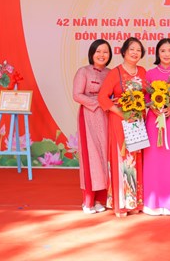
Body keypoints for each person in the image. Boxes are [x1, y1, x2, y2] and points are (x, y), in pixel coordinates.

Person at [98, 37, 147, 218]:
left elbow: (146, 95)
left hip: (137, 121)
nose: (135, 53)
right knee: (122, 158)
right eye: (132, 49)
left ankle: (134, 201)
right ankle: (121, 203)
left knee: (136, 158)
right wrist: (121, 113)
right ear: (124, 51)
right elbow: (103, 97)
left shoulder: (142, 71)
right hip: (120, 120)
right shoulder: (115, 73)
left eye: (138, 50)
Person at [143, 38, 170, 216]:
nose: (167, 54)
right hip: (154, 121)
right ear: (157, 53)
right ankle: (152, 203)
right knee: (153, 160)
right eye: (163, 51)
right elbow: (145, 98)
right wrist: (154, 107)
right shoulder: (149, 74)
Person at [72, 39, 112, 214]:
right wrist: (98, 102)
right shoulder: (83, 72)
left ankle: (100, 199)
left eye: (105, 52)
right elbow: (77, 95)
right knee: (91, 157)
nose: (102, 55)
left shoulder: (111, 73)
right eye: (98, 51)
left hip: (107, 117)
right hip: (89, 115)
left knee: (105, 155)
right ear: (92, 53)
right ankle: (88, 201)